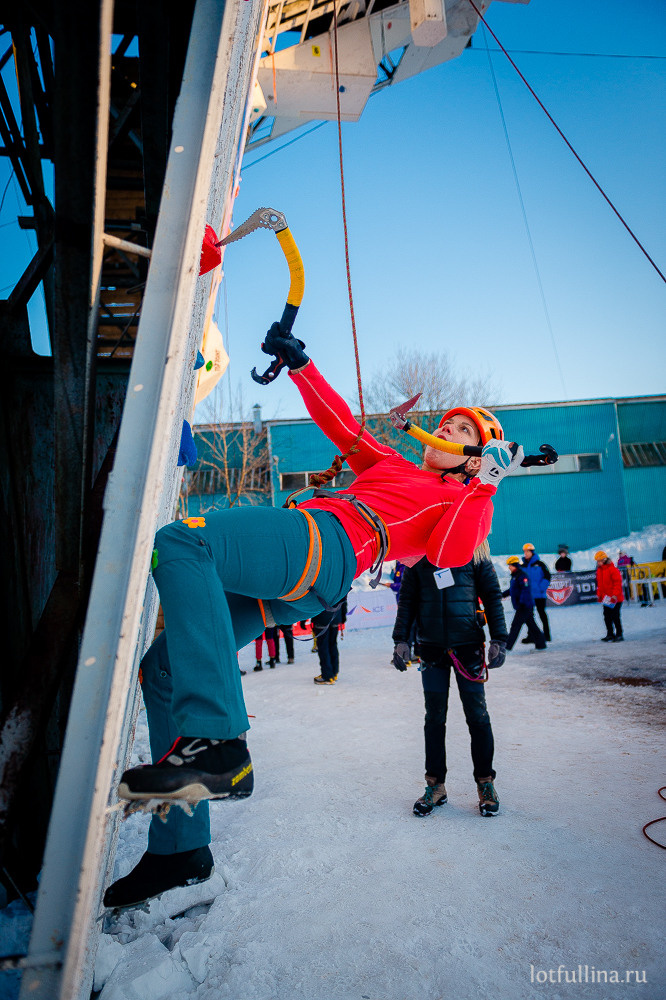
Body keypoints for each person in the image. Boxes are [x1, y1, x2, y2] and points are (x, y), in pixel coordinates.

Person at [104, 324, 526, 909]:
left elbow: (449, 554)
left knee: (182, 541)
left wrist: (485, 488)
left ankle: (219, 741)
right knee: (164, 671)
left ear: (477, 456)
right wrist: (301, 366)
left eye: (462, 430)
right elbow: (344, 427)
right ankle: (182, 850)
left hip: (331, 542)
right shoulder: (393, 464)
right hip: (313, 569)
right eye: (447, 422)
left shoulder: (461, 496)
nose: (446, 429)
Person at [392, 543, 508, 819]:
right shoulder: (418, 552)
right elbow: (407, 599)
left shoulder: (474, 548)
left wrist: (499, 639)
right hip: (431, 649)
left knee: (477, 716)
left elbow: (492, 595)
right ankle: (435, 786)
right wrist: (400, 640)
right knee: (434, 717)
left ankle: (485, 783)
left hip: (468, 647)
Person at [503, 557, 546, 651]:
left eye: (510, 565)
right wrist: (502, 595)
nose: (509, 567)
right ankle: (541, 644)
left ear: (515, 565)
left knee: (515, 625)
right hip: (523, 605)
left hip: (524, 606)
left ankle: (507, 647)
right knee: (532, 625)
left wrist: (522, 603)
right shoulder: (515, 576)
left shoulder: (522, 576)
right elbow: (512, 590)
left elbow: (525, 590)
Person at [312, 596, 348, 684]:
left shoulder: (318, 586)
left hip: (322, 618)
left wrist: (304, 619)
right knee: (333, 645)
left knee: (323, 648)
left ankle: (327, 676)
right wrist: (342, 617)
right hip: (335, 616)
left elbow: (311, 601)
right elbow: (343, 599)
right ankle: (334, 673)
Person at [521, 543, 552, 642]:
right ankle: (531, 636)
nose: (526, 553)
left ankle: (547, 635)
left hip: (539, 595)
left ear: (532, 552)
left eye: (527, 551)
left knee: (542, 614)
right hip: (528, 596)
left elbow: (547, 577)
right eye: (525, 552)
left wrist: (540, 588)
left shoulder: (540, 564)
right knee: (529, 616)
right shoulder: (523, 566)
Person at [595, 551, 624, 641]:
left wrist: (615, 595)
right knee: (607, 616)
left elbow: (617, 583)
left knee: (615, 616)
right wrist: (599, 595)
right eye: (597, 561)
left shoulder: (613, 569)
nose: (598, 563)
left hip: (616, 598)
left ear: (604, 560)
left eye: (599, 561)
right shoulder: (599, 571)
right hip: (606, 599)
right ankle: (610, 634)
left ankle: (619, 634)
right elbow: (600, 585)